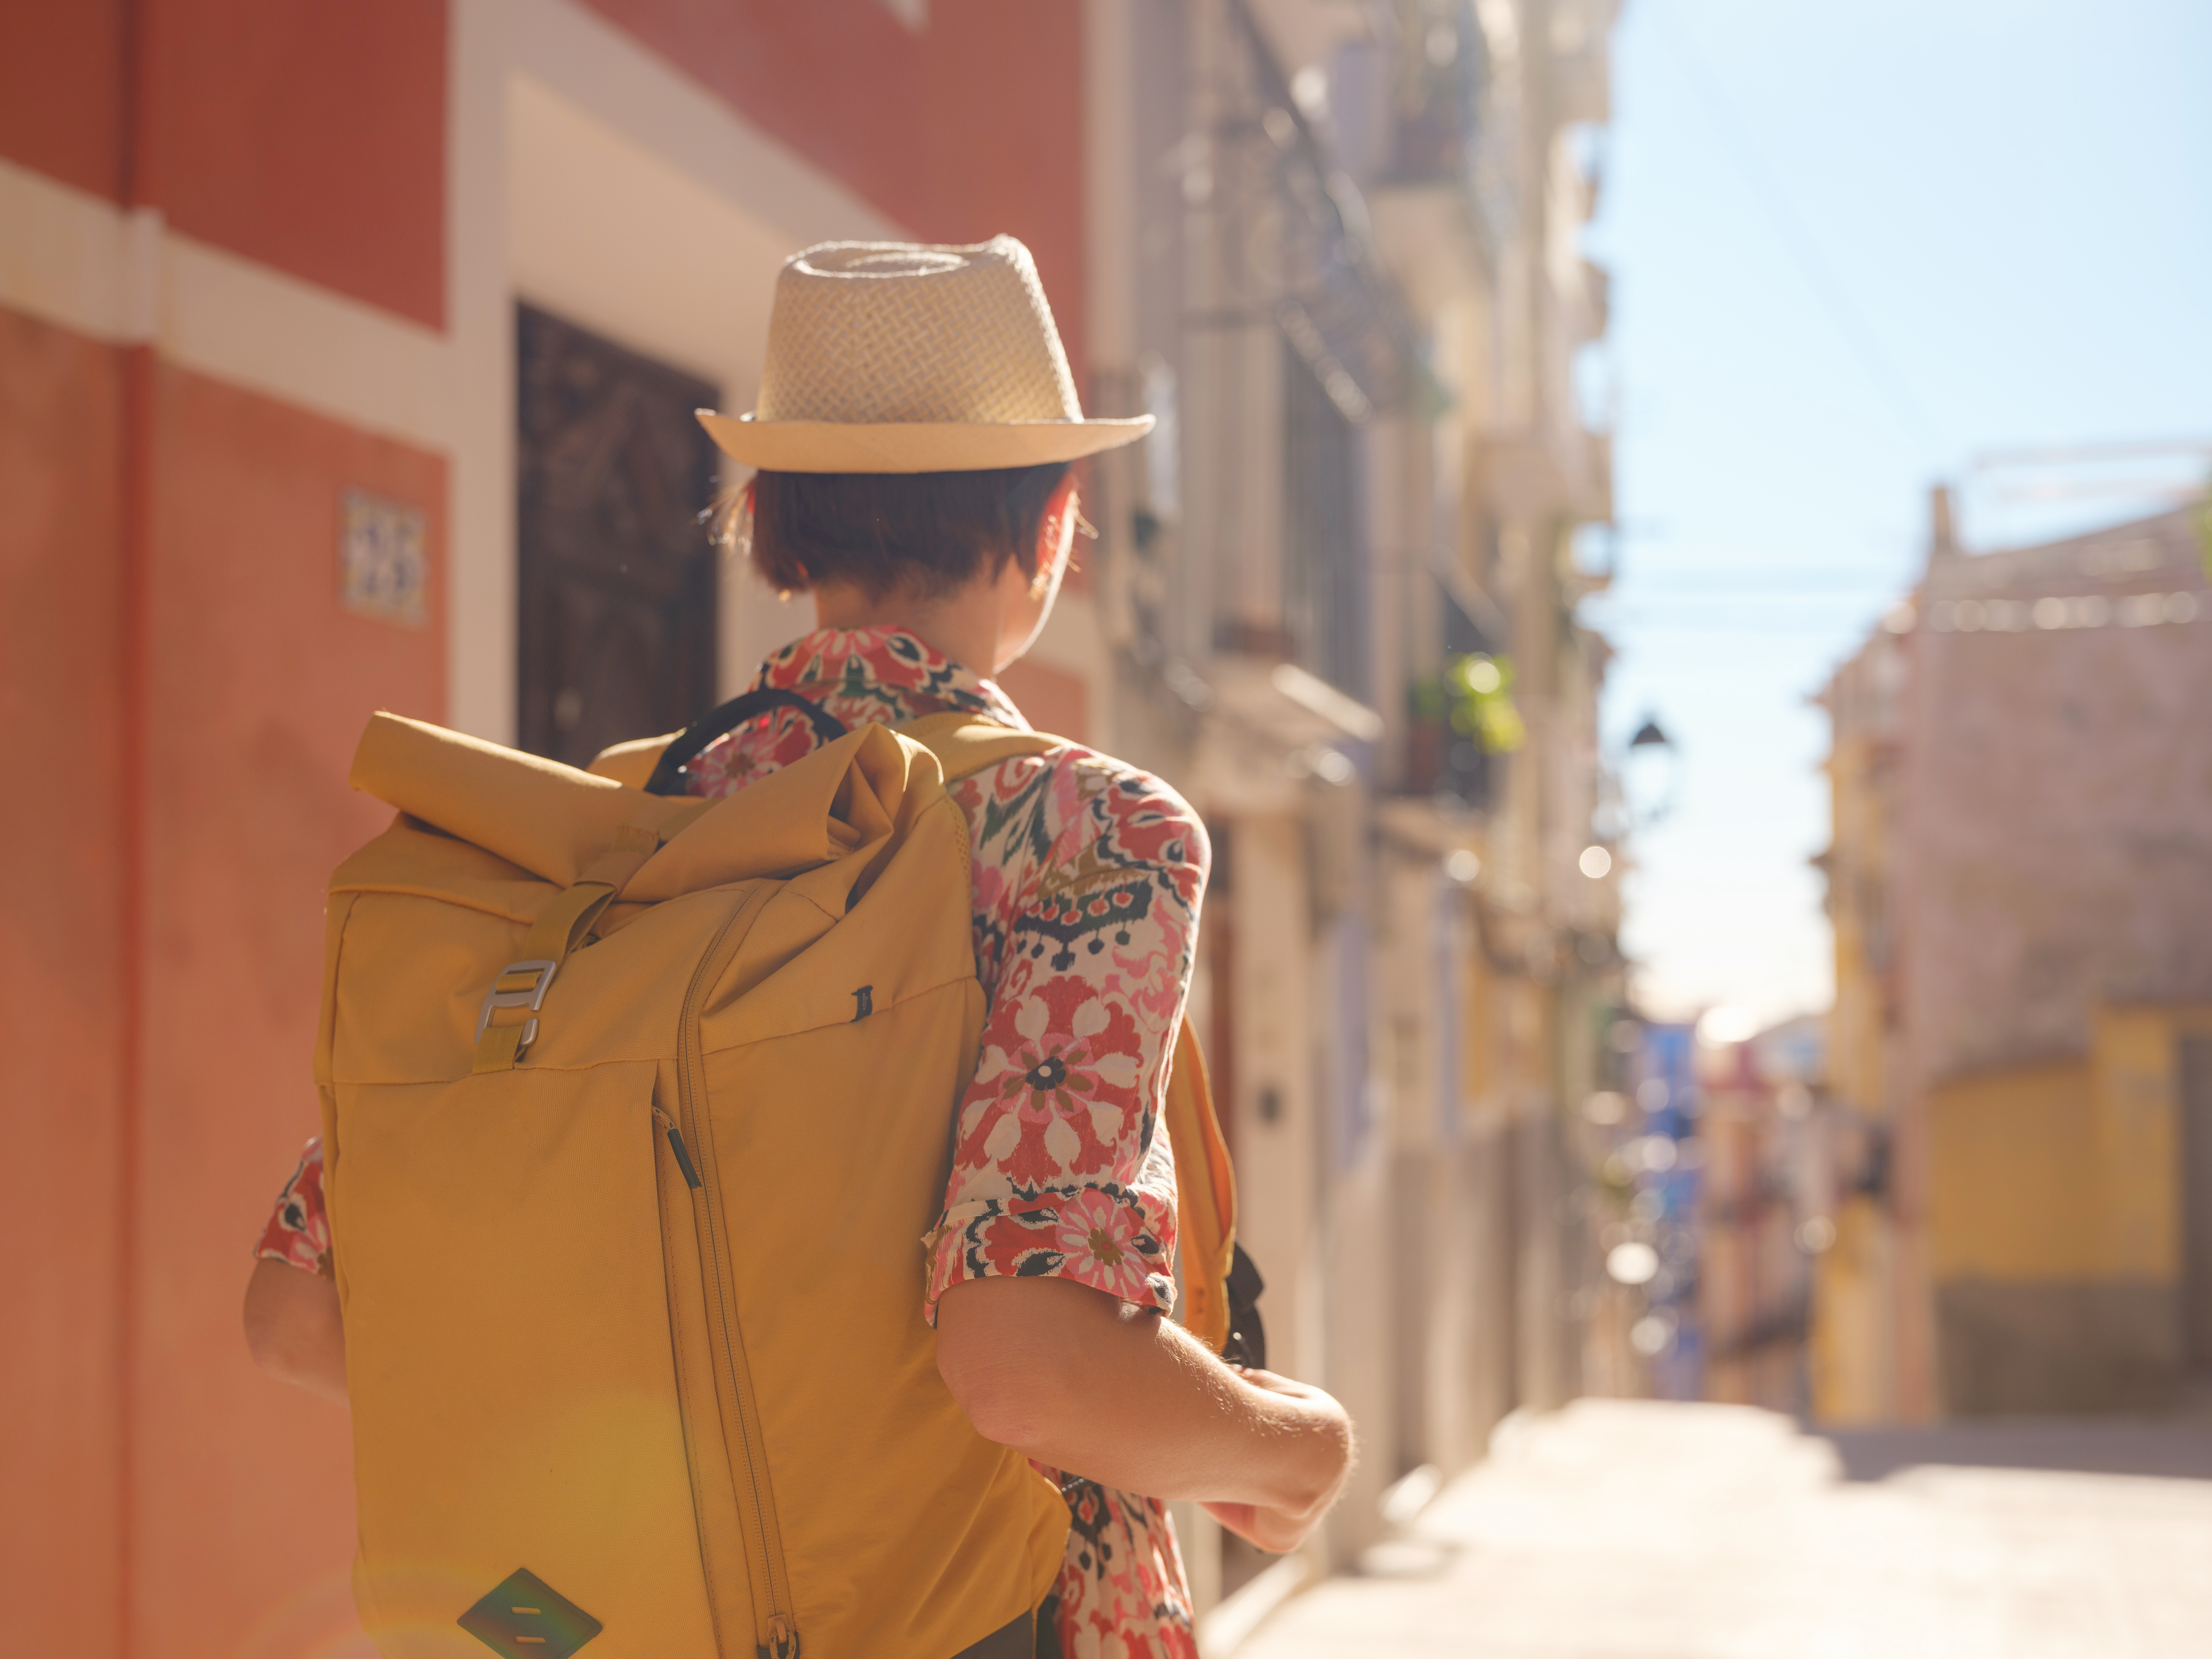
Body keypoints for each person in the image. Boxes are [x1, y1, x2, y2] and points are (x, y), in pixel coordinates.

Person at [246, 236, 1354, 1659]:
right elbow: (1030, 1363)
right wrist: (1285, 1450)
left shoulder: (604, 843)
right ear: (1054, 520)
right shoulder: (1075, 829)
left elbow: (296, 1312)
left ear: (772, 519)